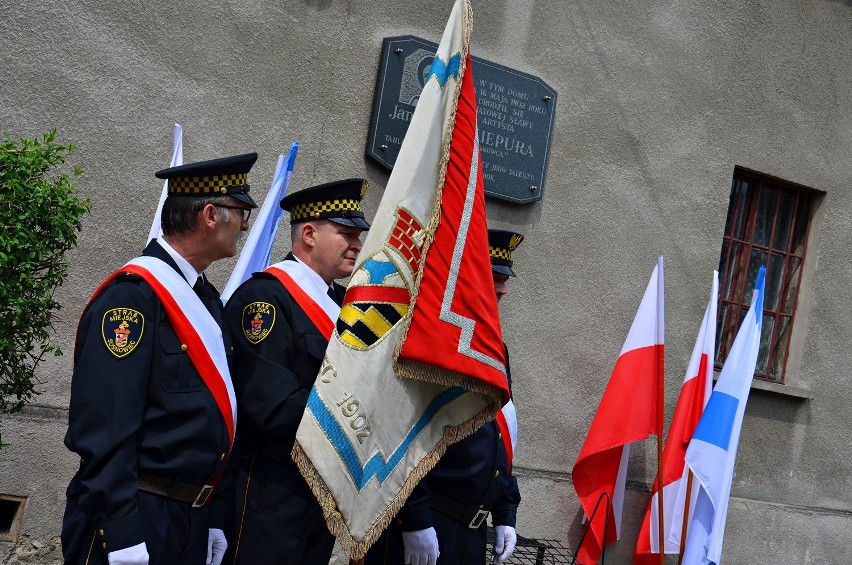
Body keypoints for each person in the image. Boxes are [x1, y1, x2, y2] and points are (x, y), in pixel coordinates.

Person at [62, 153, 259, 565]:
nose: (245, 224)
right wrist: (121, 529)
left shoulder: (204, 298)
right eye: (240, 211)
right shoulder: (133, 298)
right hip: (138, 512)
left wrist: (213, 514)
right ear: (209, 214)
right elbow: (105, 427)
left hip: (188, 518)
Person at [221, 178, 371, 564]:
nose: (357, 244)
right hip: (270, 489)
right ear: (308, 234)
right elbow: (270, 405)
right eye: (346, 234)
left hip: (318, 491)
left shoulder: (343, 304)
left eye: (358, 235)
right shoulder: (265, 299)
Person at [365, 228, 524, 565]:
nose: (504, 289)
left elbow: (495, 433)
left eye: (505, 278)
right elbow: (399, 433)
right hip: (429, 524)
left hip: (471, 532)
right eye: (494, 277)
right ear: (468, 277)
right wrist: (415, 517)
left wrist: (505, 509)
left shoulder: (495, 348)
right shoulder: (427, 338)